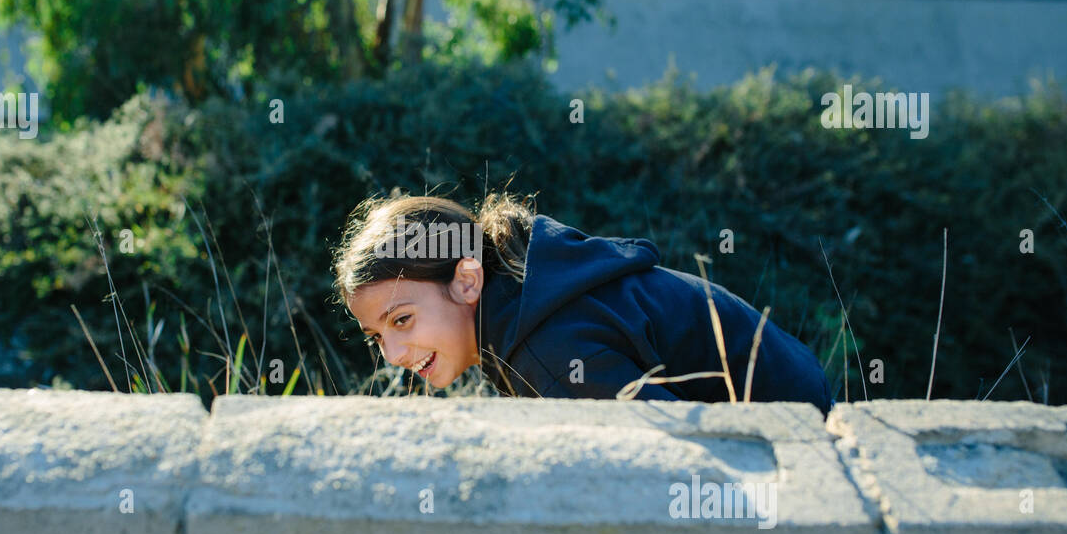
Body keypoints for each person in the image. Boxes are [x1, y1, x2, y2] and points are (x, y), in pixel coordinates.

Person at [332, 191, 834, 416]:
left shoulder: (548, 351)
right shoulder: (523, 303)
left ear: (466, 281)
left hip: (799, 448)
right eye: (377, 336)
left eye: (402, 320)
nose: (393, 354)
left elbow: (672, 458)